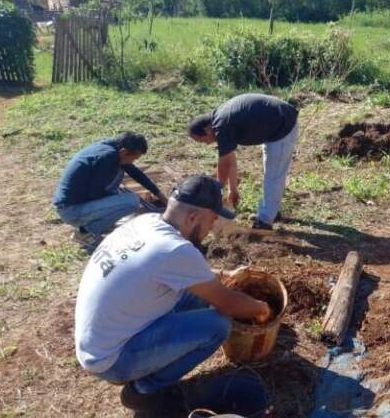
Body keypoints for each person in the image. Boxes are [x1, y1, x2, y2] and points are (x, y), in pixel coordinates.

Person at [75, 175, 272, 415]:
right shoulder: (175, 250)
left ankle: (148, 370)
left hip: (101, 340)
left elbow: (182, 272)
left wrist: (225, 273)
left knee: (202, 296)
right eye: (212, 220)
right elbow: (229, 304)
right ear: (192, 217)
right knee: (217, 325)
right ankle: (145, 391)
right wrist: (262, 309)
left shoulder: (146, 223)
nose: (211, 228)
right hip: (112, 360)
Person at [188, 94, 299, 231]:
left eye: (204, 140)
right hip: (274, 125)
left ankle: (265, 221)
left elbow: (224, 165)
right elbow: (230, 161)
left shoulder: (221, 124)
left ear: (206, 129)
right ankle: (271, 212)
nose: (206, 144)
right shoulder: (220, 120)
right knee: (271, 173)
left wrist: (216, 193)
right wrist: (232, 190)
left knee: (274, 175)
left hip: (283, 125)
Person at [53, 132, 168, 240]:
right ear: (124, 151)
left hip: (69, 206)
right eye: (134, 158)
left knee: (120, 189)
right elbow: (95, 193)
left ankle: (96, 224)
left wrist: (161, 196)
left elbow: (136, 173)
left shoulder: (111, 149)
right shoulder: (107, 158)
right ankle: (85, 232)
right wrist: (116, 202)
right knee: (131, 201)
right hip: (72, 211)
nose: (133, 161)